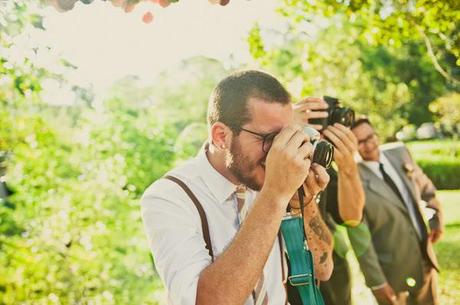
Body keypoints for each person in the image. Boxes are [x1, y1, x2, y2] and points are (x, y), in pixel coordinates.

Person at [141, 70, 334, 305]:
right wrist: (274, 195)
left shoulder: (271, 176)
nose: (279, 152)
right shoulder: (168, 197)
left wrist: (302, 204)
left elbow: (323, 269)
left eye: (286, 136)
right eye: (268, 138)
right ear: (221, 136)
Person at [350, 118, 443, 305]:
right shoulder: (352, 181)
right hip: (392, 273)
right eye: (360, 142)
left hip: (424, 257)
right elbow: (361, 238)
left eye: (370, 137)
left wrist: (436, 219)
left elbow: (426, 189)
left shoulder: (400, 152)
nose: (369, 145)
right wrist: (377, 282)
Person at [292, 98, 365, 305]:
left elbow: (352, 217)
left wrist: (348, 166)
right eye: (313, 117)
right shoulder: (271, 163)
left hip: (334, 284)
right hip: (293, 289)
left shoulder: (323, 167)